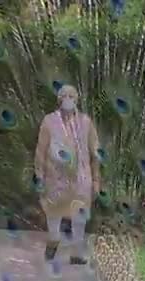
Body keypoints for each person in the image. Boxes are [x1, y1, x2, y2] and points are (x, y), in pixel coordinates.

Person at [33, 85, 101, 265]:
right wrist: (39, 175)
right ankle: (53, 240)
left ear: (77, 99)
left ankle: (76, 253)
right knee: (54, 212)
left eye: (72, 95)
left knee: (79, 217)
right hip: (56, 177)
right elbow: (41, 150)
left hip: (81, 177)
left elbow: (95, 154)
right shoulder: (49, 122)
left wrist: (96, 180)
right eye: (65, 95)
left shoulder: (86, 122)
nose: (68, 99)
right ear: (59, 99)